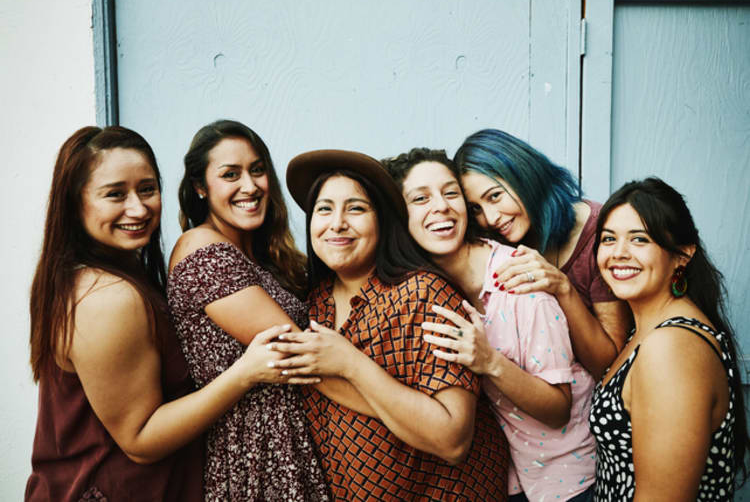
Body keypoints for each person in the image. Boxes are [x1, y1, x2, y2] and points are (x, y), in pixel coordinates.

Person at [26, 126, 289, 501]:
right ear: (75, 203)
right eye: (115, 194)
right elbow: (140, 439)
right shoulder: (107, 298)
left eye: (147, 189)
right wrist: (244, 373)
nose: (139, 208)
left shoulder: (113, 276)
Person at [269, 149, 510, 500]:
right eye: (324, 209)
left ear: (383, 220)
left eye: (356, 208)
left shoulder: (425, 295)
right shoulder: (313, 303)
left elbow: (452, 439)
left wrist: (350, 363)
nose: (337, 223)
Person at [383, 148, 596, 502]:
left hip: (568, 481)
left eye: (451, 193)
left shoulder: (518, 278)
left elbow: (559, 409)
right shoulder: (424, 289)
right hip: (510, 479)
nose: (441, 206)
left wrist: (489, 362)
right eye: (420, 198)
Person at [169, 120, 348, 501]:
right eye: (230, 174)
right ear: (201, 187)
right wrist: (397, 413)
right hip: (259, 458)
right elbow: (303, 358)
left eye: (257, 170)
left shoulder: (266, 259)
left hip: (295, 448)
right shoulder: (203, 249)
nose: (249, 186)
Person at [591, 177, 749, 500]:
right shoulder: (647, 328)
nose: (618, 253)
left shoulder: (671, 347)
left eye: (639, 239)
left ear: (682, 255)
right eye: (608, 239)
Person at [455, 129, 631, 379]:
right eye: (476, 209)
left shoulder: (601, 234)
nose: (491, 218)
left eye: (495, 196)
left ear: (524, 176)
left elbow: (608, 365)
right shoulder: (496, 245)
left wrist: (563, 288)